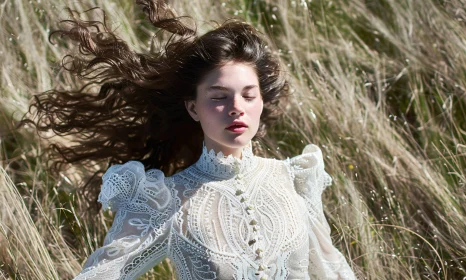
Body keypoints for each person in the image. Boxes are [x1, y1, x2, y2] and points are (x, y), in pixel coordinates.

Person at [23, 0, 356, 279]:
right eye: (219, 97)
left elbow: (332, 270)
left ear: (261, 103)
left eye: (248, 95)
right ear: (193, 108)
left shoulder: (295, 179)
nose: (236, 108)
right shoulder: (166, 200)